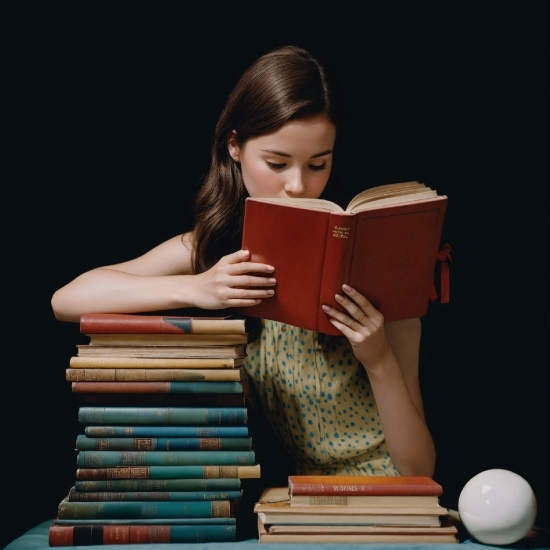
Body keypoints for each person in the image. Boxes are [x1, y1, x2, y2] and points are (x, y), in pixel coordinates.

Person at [51, 45, 435, 478]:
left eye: (317, 164)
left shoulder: (364, 261)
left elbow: (419, 470)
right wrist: (194, 288)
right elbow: (67, 300)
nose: (297, 185)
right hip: (301, 505)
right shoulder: (216, 251)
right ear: (234, 146)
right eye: (277, 162)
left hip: (391, 503)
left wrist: (378, 358)